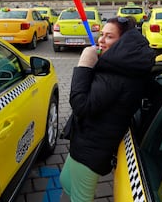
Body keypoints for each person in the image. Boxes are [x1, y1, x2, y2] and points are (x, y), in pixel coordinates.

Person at [60, 16, 155, 201]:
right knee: (65, 180)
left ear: (123, 43)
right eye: (101, 35)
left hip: (91, 150)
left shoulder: (115, 75)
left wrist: (84, 66)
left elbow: (81, 105)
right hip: (85, 143)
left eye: (109, 37)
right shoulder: (122, 67)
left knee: (80, 197)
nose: (101, 40)